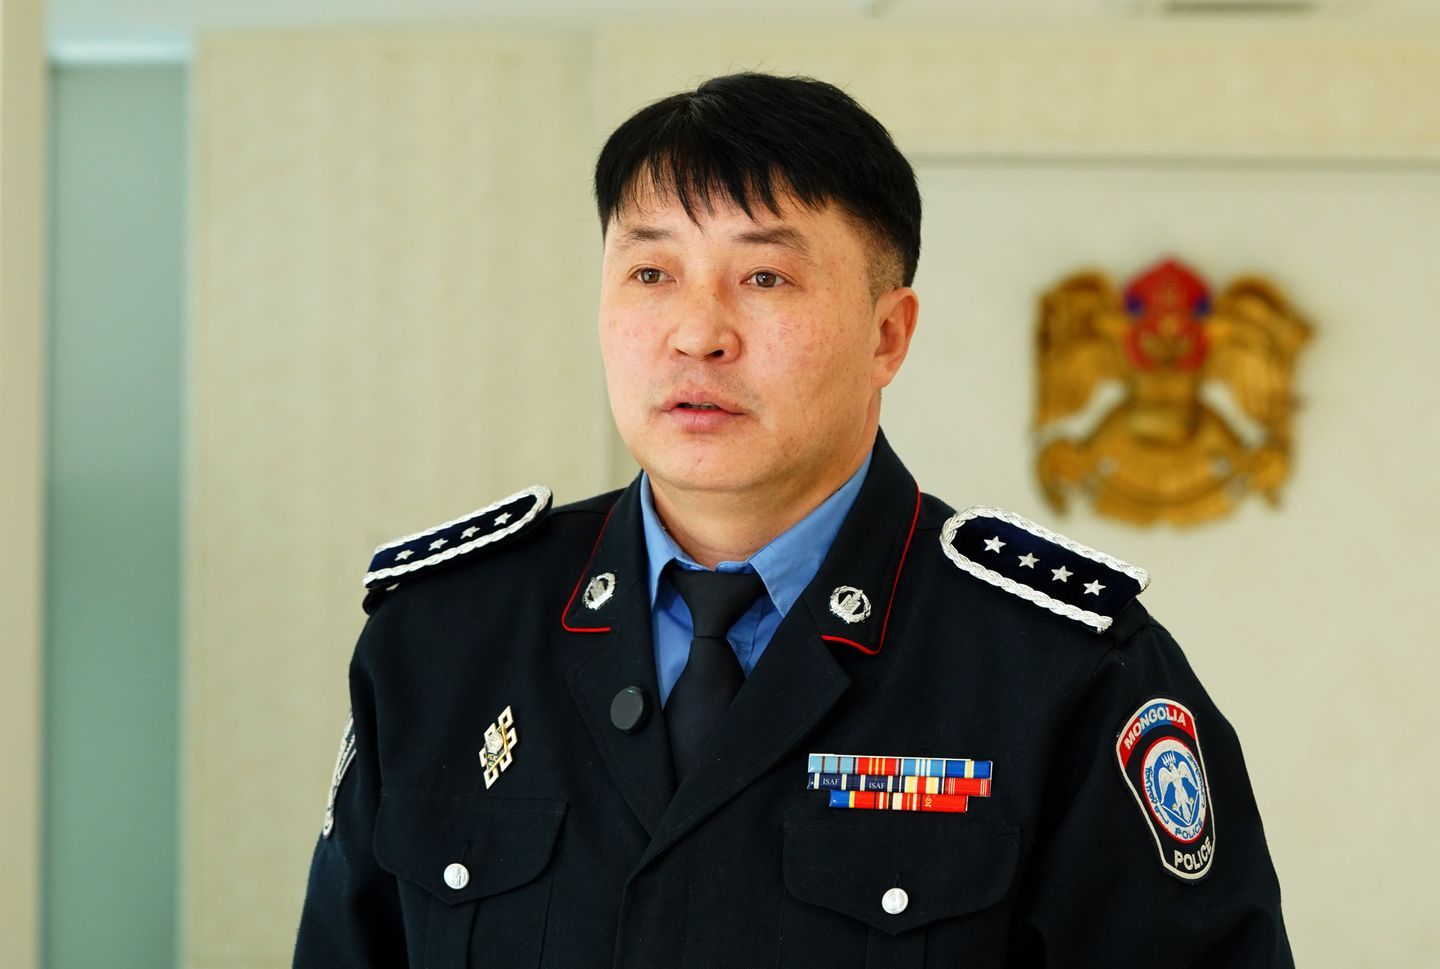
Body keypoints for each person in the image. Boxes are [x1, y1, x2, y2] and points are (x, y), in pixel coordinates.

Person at [293, 72, 1292, 968]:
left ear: (888, 335)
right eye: (651, 273)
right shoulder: (444, 636)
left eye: (764, 277)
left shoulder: (1065, 671)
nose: (697, 333)